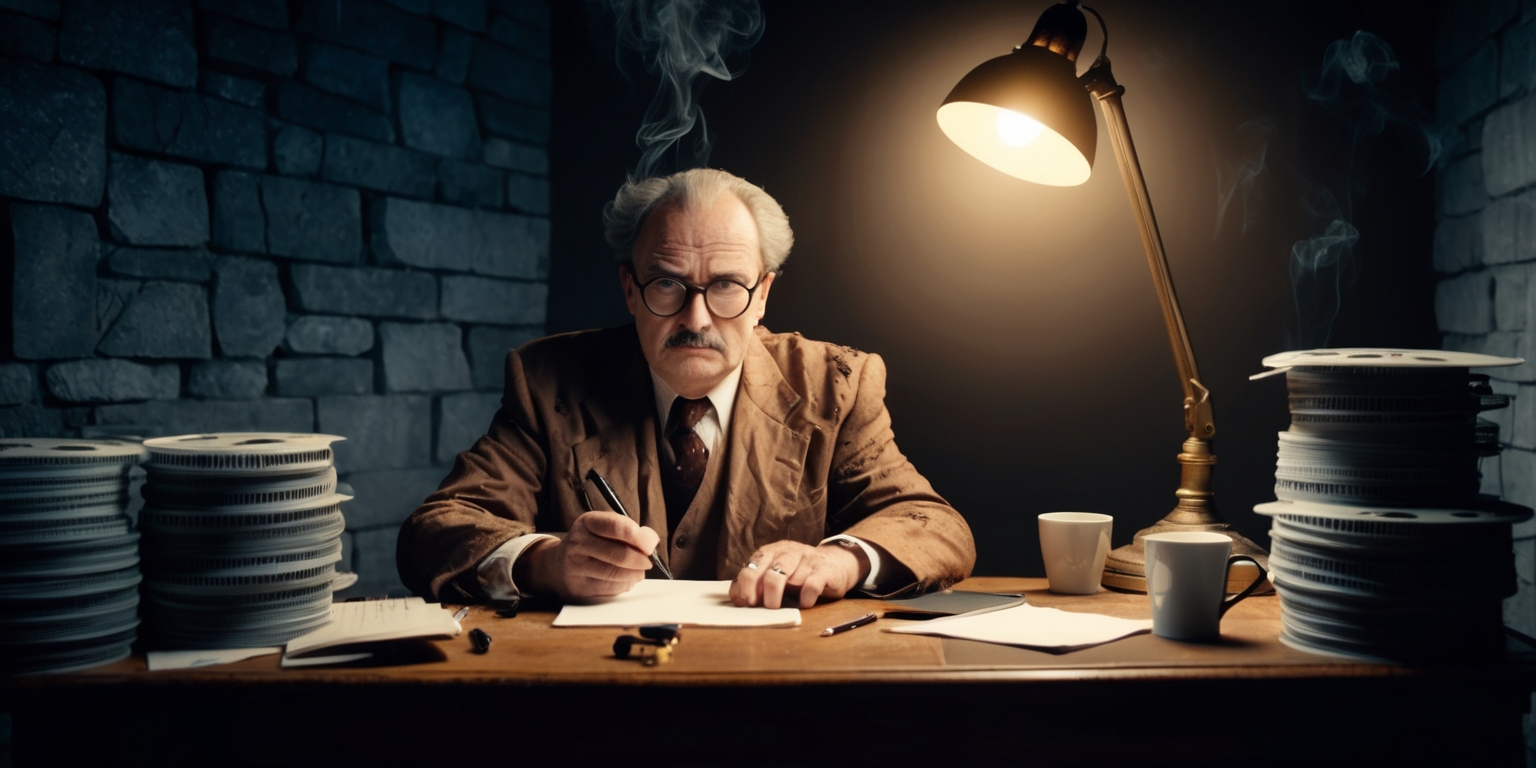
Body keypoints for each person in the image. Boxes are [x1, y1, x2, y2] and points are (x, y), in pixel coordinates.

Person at [396, 168, 975, 608]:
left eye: (726, 286)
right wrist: (546, 562)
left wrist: (841, 560)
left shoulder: (836, 386)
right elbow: (436, 530)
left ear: (764, 294)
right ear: (630, 288)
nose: (696, 319)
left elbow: (934, 524)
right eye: (668, 284)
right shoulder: (550, 381)